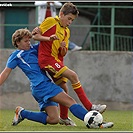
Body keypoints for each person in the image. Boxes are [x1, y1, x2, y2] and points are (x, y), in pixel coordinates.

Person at [0, 28, 114, 128]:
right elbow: (5, 73)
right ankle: (96, 122)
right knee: (70, 101)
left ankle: (22, 113)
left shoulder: (34, 49)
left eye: (29, 40)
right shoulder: (16, 56)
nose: (28, 43)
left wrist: (59, 44)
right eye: (25, 41)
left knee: (53, 119)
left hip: (39, 88)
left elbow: (48, 45)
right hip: (42, 86)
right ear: (17, 42)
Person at [32, 2, 107, 126]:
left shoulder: (66, 31)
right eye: (69, 19)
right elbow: (35, 36)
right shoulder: (50, 21)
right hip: (47, 60)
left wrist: (63, 48)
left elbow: (63, 53)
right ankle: (90, 107)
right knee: (73, 75)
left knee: (64, 88)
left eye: (72, 20)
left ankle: (64, 118)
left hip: (56, 60)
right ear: (61, 14)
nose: (70, 22)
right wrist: (48, 38)